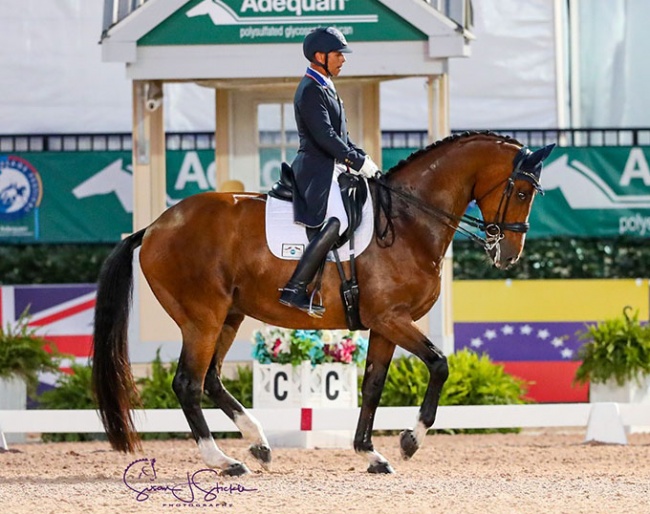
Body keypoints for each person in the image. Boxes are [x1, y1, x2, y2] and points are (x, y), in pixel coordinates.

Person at [279, 26, 380, 317]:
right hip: (315, 169)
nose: (343, 60)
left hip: (331, 166)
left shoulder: (325, 85)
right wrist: (354, 161)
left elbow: (342, 136)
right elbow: (325, 137)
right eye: (338, 54)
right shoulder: (310, 89)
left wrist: (362, 157)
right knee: (338, 219)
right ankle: (295, 287)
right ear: (319, 56)